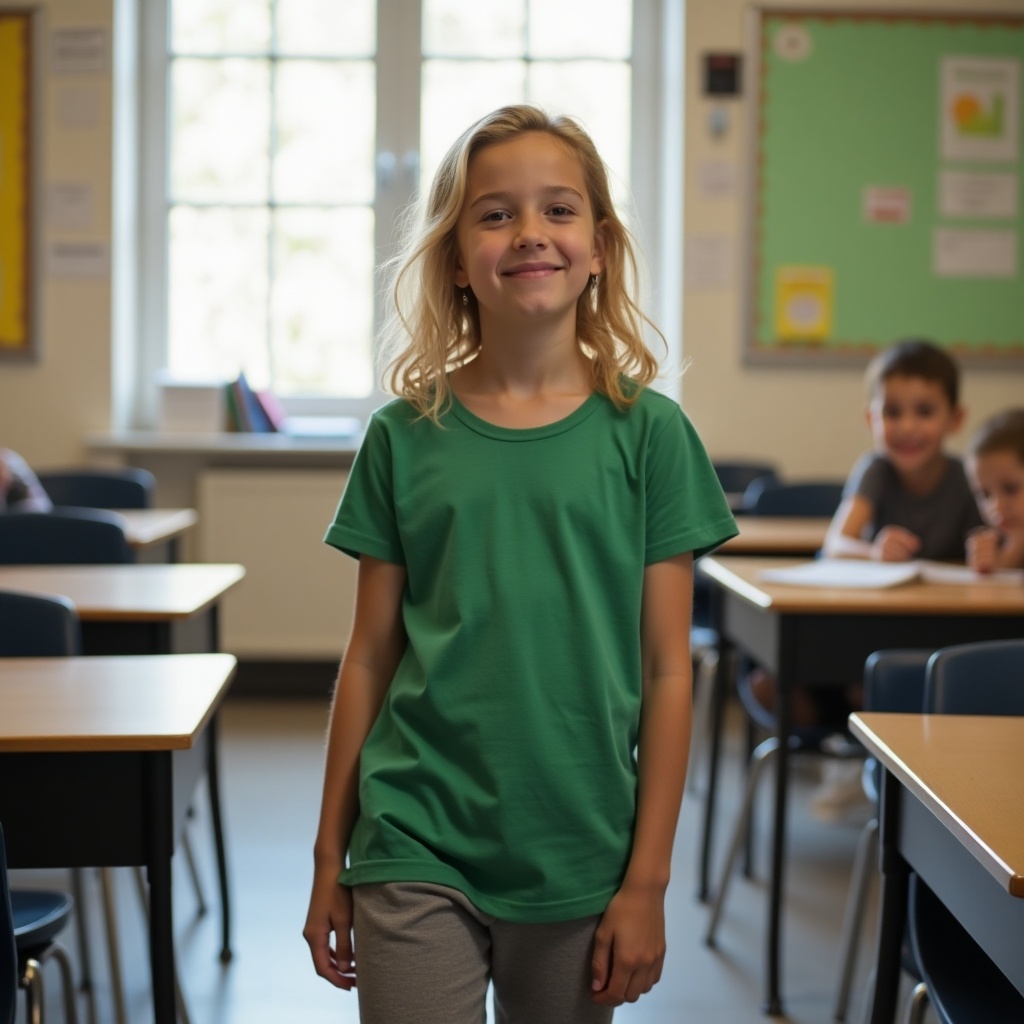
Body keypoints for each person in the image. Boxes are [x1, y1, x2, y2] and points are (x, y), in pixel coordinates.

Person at [303, 105, 737, 1024]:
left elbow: (667, 669)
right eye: (495, 214)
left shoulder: (652, 436)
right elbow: (370, 657)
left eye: (559, 210)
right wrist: (326, 857)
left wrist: (648, 880)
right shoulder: (401, 437)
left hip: (580, 845)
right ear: (456, 257)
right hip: (414, 832)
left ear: (601, 247)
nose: (530, 233)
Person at [823, 338, 983, 562]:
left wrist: (991, 554)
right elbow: (835, 544)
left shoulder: (970, 476)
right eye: (893, 412)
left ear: (955, 419)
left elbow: (1001, 542)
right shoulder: (875, 470)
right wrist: (874, 552)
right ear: (871, 420)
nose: (907, 427)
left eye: (925, 411)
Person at [966, 408, 1024, 572]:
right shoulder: (997, 544)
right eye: (985, 494)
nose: (996, 507)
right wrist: (993, 564)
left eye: (1011, 489)